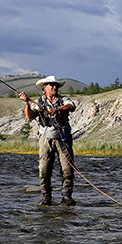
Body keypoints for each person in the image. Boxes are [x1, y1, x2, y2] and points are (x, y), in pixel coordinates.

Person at [18, 75, 77, 206]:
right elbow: (29, 116)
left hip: (63, 138)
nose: (54, 87)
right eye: (51, 85)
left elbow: (71, 106)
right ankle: (46, 197)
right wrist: (27, 103)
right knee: (44, 169)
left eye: (56, 85)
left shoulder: (63, 100)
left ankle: (67, 196)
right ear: (45, 87)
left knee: (67, 169)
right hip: (45, 138)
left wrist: (57, 109)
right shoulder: (38, 102)